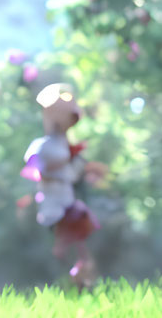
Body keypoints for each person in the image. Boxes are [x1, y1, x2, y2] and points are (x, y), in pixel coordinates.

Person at [22, 83, 103, 289]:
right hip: (54, 206)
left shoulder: (65, 146)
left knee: (80, 247)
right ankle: (68, 282)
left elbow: (72, 174)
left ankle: (82, 282)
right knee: (67, 248)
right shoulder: (43, 146)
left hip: (67, 202)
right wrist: (60, 166)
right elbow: (36, 167)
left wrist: (87, 170)